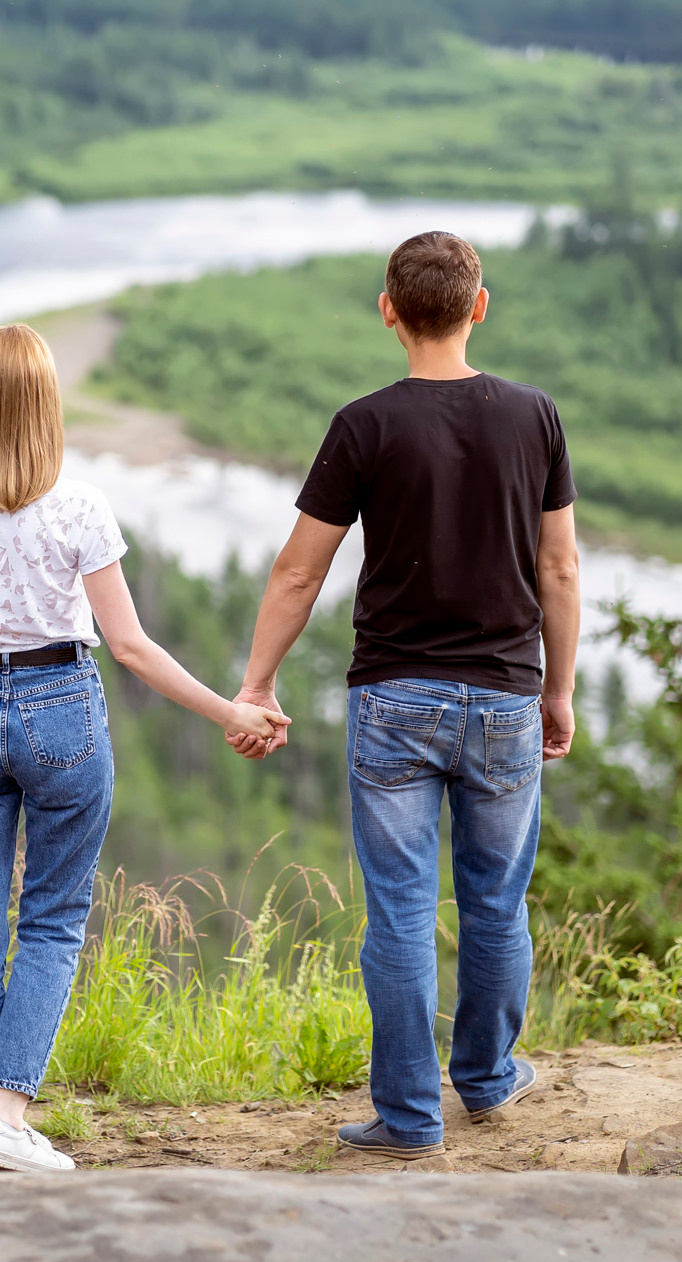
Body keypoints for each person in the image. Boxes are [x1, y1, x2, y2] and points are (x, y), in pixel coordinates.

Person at [0, 324, 289, 1173]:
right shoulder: (78, 507)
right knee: (51, 917)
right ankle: (5, 1116)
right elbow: (133, 648)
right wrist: (231, 710)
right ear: (47, 406)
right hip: (60, 708)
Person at [227, 232, 581, 1159]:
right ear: (480, 305)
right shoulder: (534, 416)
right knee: (497, 901)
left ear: (388, 310)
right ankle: (489, 1077)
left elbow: (299, 574)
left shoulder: (363, 425)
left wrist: (256, 682)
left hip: (394, 699)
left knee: (400, 912)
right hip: (506, 695)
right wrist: (561, 690)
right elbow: (561, 568)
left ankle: (410, 1117)